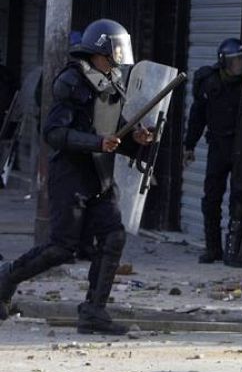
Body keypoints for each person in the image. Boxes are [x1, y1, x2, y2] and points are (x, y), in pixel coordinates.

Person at [0, 19, 154, 335]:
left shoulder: (112, 82)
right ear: (99, 51)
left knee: (113, 237)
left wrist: (135, 138)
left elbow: (113, 129)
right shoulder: (72, 82)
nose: (119, 59)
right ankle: (6, 277)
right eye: (115, 51)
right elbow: (54, 133)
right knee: (62, 248)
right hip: (71, 177)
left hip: (100, 176)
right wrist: (97, 142)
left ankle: (93, 311)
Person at [183, 38, 242, 267]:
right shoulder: (209, 82)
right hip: (218, 146)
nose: (241, 65)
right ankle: (213, 248)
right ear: (224, 62)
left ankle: (232, 251)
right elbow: (197, 116)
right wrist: (189, 145)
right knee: (211, 197)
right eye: (236, 61)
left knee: (239, 198)